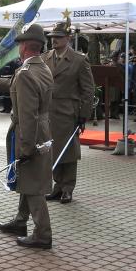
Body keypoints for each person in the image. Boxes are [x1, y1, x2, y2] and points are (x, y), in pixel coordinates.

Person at [0, 24, 54, 249]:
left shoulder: (26, 74)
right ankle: (20, 221)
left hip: (30, 132)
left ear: (26, 46)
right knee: (28, 178)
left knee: (34, 185)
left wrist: (26, 146)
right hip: (44, 128)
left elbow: (27, 115)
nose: (18, 47)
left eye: (19, 43)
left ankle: (43, 233)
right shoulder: (43, 68)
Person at [42, 20, 94, 204]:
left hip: (67, 112)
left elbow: (88, 90)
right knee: (52, 149)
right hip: (48, 112)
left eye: (58, 37)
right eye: (52, 37)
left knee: (69, 152)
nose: (54, 40)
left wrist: (83, 115)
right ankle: (57, 186)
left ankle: (68, 188)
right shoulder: (45, 58)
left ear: (68, 38)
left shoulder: (79, 60)